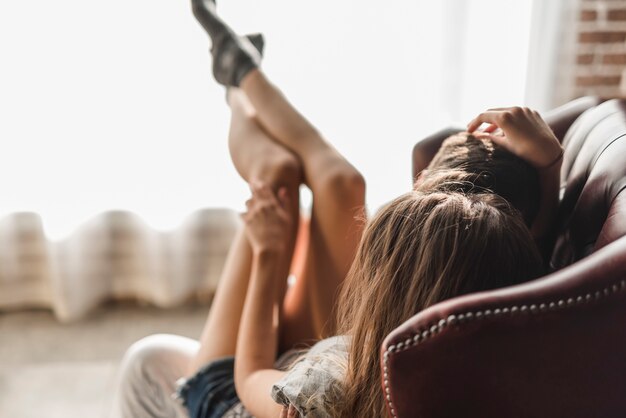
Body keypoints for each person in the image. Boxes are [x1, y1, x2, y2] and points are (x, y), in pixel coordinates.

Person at [110, 1, 563, 417]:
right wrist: (550, 165)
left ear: (423, 186)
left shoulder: (330, 388)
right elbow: (537, 258)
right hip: (326, 352)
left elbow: (247, 379)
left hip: (237, 397)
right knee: (340, 184)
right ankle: (241, 70)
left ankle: (238, 80)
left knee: (146, 360)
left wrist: (270, 255)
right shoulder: (506, 296)